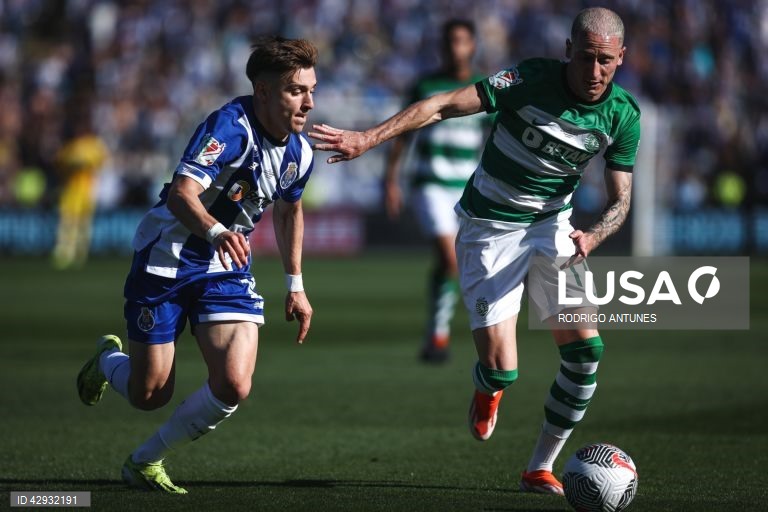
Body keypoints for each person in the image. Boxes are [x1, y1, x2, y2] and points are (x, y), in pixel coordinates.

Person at [312, 7, 639, 495]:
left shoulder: (623, 115)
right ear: (569, 49)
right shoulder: (530, 79)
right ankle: (488, 385)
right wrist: (368, 138)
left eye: (606, 61)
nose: (595, 71)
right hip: (489, 229)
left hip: (553, 228)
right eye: (586, 57)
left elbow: (621, 200)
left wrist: (592, 236)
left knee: (586, 353)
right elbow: (443, 105)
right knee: (503, 368)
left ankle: (539, 468)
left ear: (621, 57)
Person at [76, 36, 317, 494]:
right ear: (264, 92)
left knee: (234, 383)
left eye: (311, 90)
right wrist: (217, 231)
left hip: (225, 267)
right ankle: (107, 362)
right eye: (296, 91)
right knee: (150, 394)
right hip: (167, 258)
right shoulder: (229, 127)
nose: (308, 102)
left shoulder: (300, 152)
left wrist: (295, 284)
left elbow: (290, 211)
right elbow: (181, 194)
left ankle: (146, 460)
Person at [383, 19, 490, 363]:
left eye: (461, 41)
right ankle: (440, 336)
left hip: (469, 189)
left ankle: (436, 332)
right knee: (449, 258)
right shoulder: (425, 85)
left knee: (461, 264)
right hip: (430, 184)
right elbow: (402, 133)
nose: (455, 47)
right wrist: (391, 180)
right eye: (449, 41)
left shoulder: (484, 88)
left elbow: (496, 137)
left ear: (472, 45)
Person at [51, 114, 109, 269]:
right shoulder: (72, 146)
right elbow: (60, 162)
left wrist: (83, 164)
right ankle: (64, 252)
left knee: (83, 222)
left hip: (87, 188)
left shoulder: (93, 145)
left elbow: (100, 163)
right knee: (67, 220)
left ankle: (80, 253)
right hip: (71, 188)